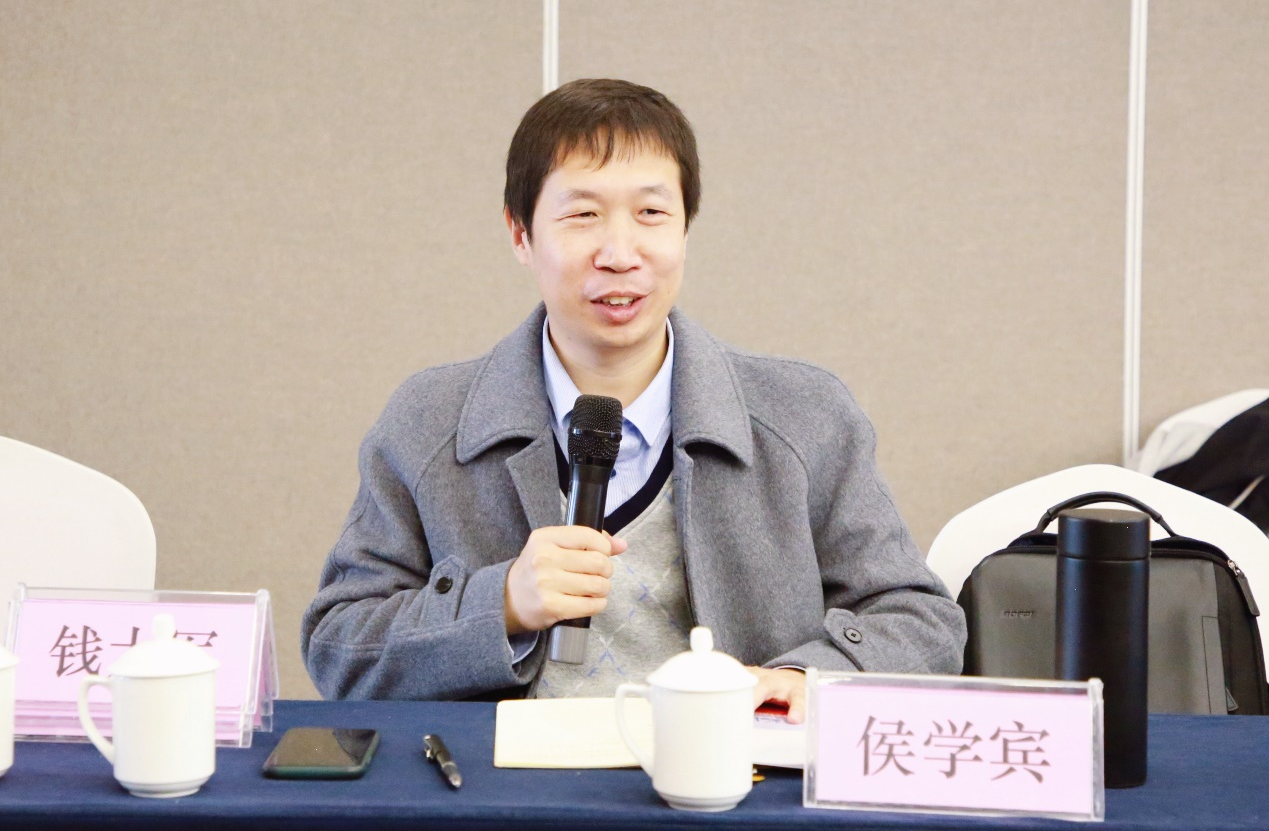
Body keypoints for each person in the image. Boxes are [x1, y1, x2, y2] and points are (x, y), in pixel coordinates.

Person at [301, 78, 965, 721]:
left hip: (729, 779)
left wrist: (802, 678)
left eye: (651, 213)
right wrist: (498, 604)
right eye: (582, 215)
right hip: (503, 783)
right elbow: (339, 647)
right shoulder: (430, 421)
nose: (620, 254)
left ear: (685, 229)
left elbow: (921, 622)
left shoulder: (805, 415)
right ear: (520, 234)